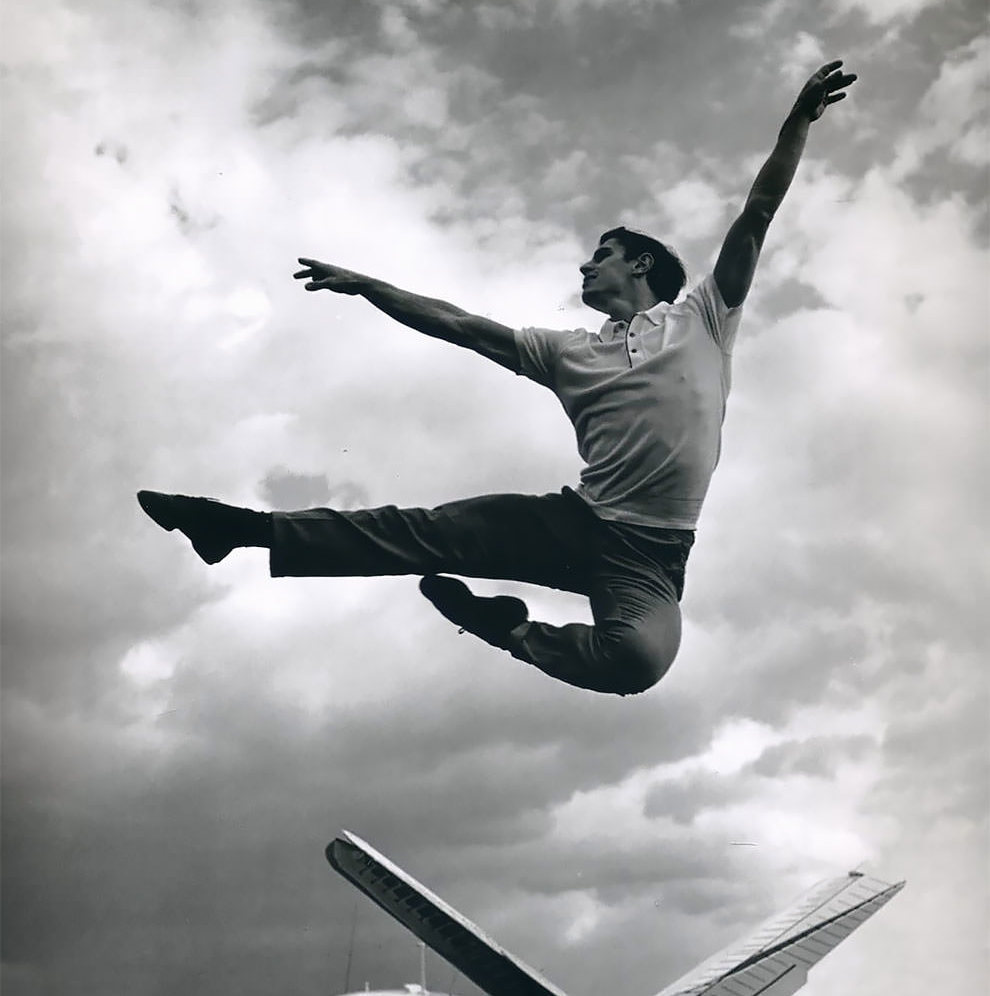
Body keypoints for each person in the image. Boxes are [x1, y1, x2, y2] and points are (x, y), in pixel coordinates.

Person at [138, 61, 856, 697]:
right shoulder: (565, 350)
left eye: (600, 255)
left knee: (638, 662)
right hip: (569, 525)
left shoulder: (705, 317)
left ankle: (507, 631)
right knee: (415, 533)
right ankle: (232, 526)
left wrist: (797, 121)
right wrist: (367, 284)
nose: (585, 266)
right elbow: (458, 324)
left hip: (651, 558)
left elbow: (757, 214)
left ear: (640, 266)